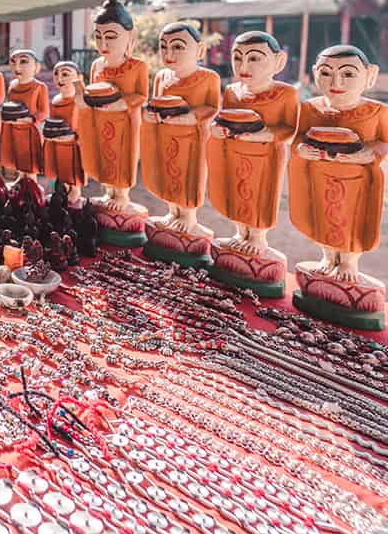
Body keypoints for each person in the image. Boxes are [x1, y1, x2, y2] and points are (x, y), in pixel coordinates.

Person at [288, 44, 387, 328]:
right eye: (326, 73)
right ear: (314, 75)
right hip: (319, 175)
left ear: (369, 76)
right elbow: (297, 141)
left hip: (356, 181)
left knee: (350, 222)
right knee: (322, 218)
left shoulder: (377, 110)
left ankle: (349, 263)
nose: (336, 83)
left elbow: (384, 141)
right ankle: (328, 257)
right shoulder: (310, 108)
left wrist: (370, 154)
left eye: (347, 74)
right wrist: (302, 149)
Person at [206, 30, 298, 296]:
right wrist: (217, 129)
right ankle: (240, 232)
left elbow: (289, 129)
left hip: (265, 156)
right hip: (234, 151)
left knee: (260, 194)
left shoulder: (285, 93)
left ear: (278, 62)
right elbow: (223, 117)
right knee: (237, 192)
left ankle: (257, 236)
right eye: (238, 58)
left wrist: (264, 135)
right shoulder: (232, 90)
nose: (244, 66)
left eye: (255, 58)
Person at [75, 0, 149, 240]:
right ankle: (108, 191)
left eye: (111, 36)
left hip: (125, 121)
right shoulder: (97, 65)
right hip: (100, 119)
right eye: (99, 36)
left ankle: (122, 193)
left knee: (121, 155)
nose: (104, 43)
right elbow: (94, 89)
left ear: (131, 37)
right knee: (103, 155)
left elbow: (141, 94)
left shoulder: (137, 66)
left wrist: (123, 103)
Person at [141, 20, 220, 257]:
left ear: (200, 50)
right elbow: (155, 102)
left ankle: (187, 215)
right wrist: (150, 114)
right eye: (164, 47)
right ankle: (172, 211)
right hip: (165, 136)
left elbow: (212, 107)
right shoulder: (162, 76)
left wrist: (190, 117)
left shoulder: (208, 78)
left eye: (177, 47)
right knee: (167, 174)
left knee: (187, 176)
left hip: (191, 139)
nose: (169, 53)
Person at [0, 48, 47, 174]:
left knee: (29, 161)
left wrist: (31, 119)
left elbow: (44, 111)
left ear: (36, 67)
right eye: (13, 62)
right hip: (13, 130)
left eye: (24, 62)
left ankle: (31, 183)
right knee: (17, 158)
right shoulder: (12, 85)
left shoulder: (39, 87)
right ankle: (21, 178)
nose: (17, 67)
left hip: (29, 132)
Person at [43, 60, 85, 204]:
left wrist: (75, 136)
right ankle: (62, 188)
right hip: (57, 143)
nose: (60, 78)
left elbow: (84, 125)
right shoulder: (55, 100)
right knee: (59, 168)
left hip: (73, 145)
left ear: (78, 77)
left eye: (65, 74)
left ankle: (75, 189)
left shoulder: (79, 101)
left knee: (73, 169)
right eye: (56, 74)